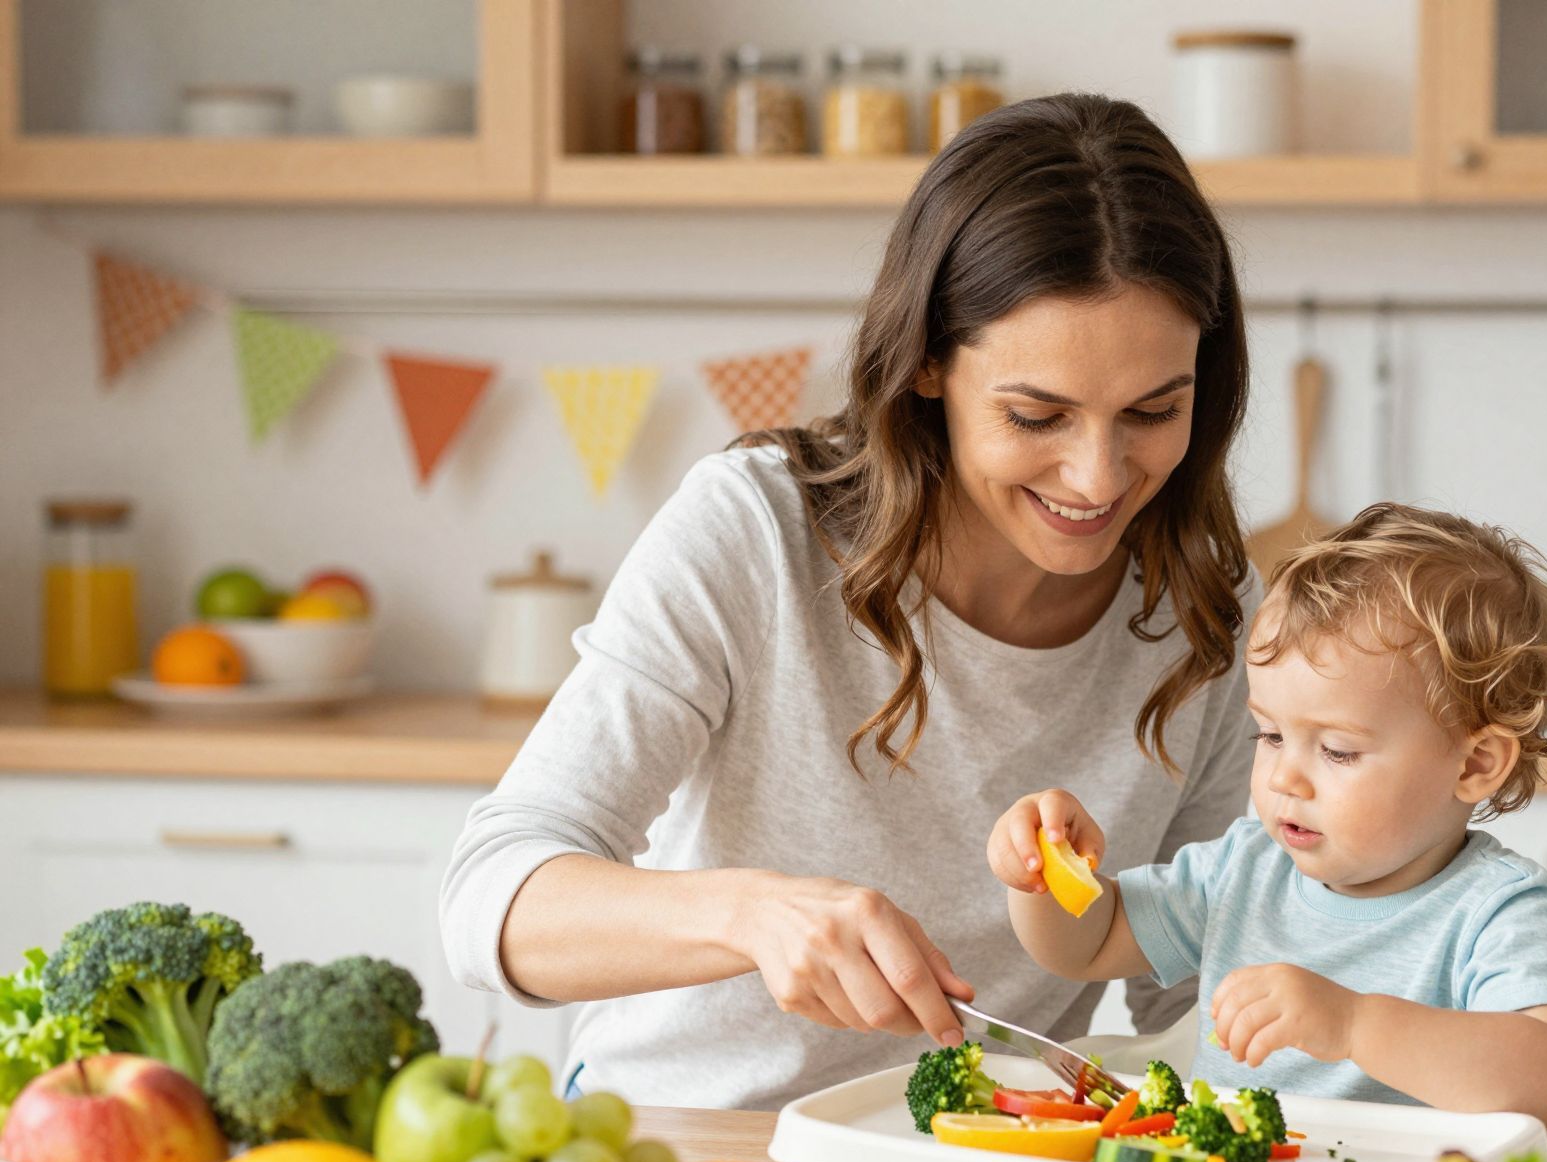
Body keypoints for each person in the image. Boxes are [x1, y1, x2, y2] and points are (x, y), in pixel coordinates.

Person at [440, 94, 1260, 1109]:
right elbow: (489, 901)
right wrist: (751, 916)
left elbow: (1204, 980)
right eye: (1034, 415)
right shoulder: (756, 533)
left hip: (981, 1159)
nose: (1097, 478)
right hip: (688, 1135)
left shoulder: (1201, 608)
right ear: (924, 362)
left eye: (1151, 412)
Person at [988, 504, 1547, 1135]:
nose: (1284, 778)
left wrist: (1355, 1025)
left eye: (1337, 750)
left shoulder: (1500, 911)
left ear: (1475, 763)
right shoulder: (1244, 869)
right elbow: (1085, 946)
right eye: (1270, 734)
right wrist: (1038, 874)